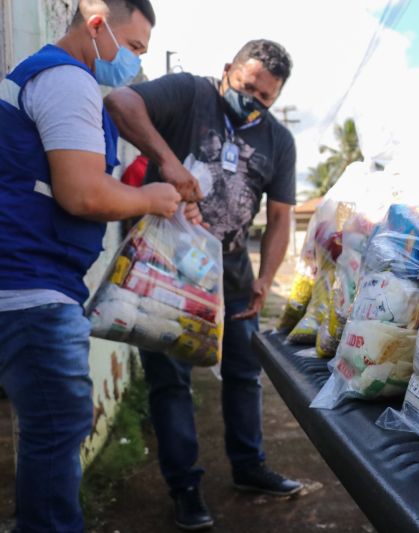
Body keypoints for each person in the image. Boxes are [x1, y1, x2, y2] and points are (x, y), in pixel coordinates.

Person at [105, 39, 301, 530]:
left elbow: (280, 218)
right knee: (170, 382)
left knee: (242, 376)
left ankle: (249, 466)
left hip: (232, 278)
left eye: (266, 97)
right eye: (247, 86)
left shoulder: (278, 140)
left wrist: (266, 279)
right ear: (227, 70)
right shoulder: (190, 95)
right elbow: (121, 102)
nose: (253, 99)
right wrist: (169, 163)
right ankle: (185, 489)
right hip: (163, 269)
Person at [0, 1, 181, 531]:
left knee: (46, 433)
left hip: (27, 280)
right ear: (98, 25)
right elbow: (81, 193)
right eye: (134, 47)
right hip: (32, 288)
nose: (133, 62)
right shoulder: (67, 81)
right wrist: (149, 197)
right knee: (58, 429)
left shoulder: (41, 77)